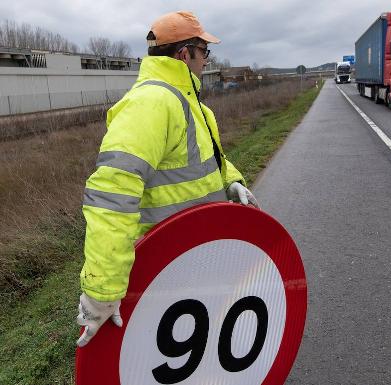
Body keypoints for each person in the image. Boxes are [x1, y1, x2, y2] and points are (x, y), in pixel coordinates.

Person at [75, 11, 258, 347]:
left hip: (200, 257)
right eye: (205, 52)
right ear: (184, 54)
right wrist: (101, 291)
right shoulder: (151, 103)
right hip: (163, 270)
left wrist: (231, 182)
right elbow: (112, 195)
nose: (206, 61)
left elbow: (210, 161)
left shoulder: (193, 106)